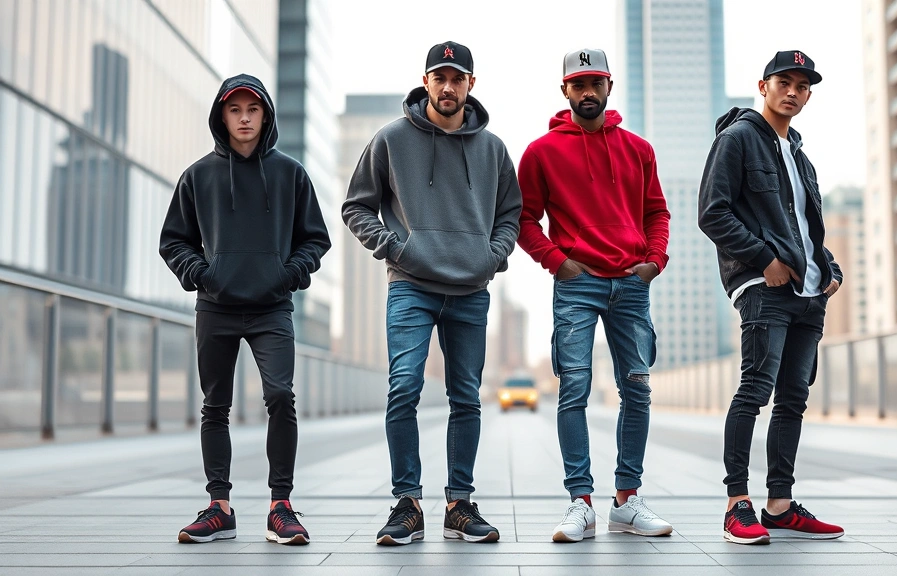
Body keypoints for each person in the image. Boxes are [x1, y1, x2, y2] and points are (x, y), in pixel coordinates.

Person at [342, 41, 521, 546]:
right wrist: (396, 249)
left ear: (471, 84)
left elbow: (511, 213)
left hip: (470, 289)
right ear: (426, 82)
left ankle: (459, 504)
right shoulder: (391, 139)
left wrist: (492, 256)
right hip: (412, 287)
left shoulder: (492, 149)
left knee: (466, 396)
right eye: (438, 77)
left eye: (457, 78)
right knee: (404, 388)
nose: (448, 87)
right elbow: (356, 207)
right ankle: (407, 504)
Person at [160, 74, 331, 545]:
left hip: (272, 307)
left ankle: (281, 507)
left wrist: (287, 274)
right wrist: (203, 273)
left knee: (280, 396)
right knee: (215, 406)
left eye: (252, 110)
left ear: (265, 115)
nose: (244, 119)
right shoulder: (197, 176)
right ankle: (219, 507)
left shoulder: (291, 174)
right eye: (234, 110)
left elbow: (315, 238)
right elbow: (174, 240)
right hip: (214, 307)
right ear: (222, 115)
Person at [517, 48, 673, 543]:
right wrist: (558, 262)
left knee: (637, 389)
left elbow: (657, 213)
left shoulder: (638, 149)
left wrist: (654, 262)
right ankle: (579, 502)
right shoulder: (541, 152)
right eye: (578, 83)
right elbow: (523, 221)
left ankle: (626, 502)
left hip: (631, 282)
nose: (587, 91)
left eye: (596, 82)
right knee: (574, 390)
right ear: (564, 90)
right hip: (577, 283)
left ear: (609, 87)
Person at [697, 50, 845, 545]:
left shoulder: (799, 155)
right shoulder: (737, 139)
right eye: (785, 81)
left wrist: (830, 268)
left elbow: (805, 229)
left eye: (803, 86)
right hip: (764, 287)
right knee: (754, 391)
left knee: (793, 401)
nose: (794, 92)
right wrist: (764, 261)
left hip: (808, 293)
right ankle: (737, 505)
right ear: (763, 86)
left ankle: (779, 505)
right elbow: (713, 214)